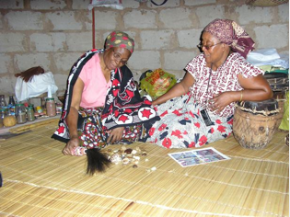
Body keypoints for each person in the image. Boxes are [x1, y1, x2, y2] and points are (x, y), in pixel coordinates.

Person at [147, 19, 273, 149]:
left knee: (173, 134)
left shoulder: (238, 66)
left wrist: (233, 96)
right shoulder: (200, 61)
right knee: (150, 116)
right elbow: (184, 86)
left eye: (208, 45)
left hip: (214, 121)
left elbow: (266, 92)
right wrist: (155, 103)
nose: (203, 49)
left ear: (224, 45)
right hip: (190, 106)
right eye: (202, 44)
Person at [52, 31, 158, 174]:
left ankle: (103, 137)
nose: (118, 62)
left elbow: (130, 101)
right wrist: (74, 136)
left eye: (123, 61)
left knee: (142, 125)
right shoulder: (86, 66)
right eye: (116, 55)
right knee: (87, 129)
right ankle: (89, 138)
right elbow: (72, 106)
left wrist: (121, 122)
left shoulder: (122, 71)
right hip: (87, 114)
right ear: (107, 48)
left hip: (112, 114)